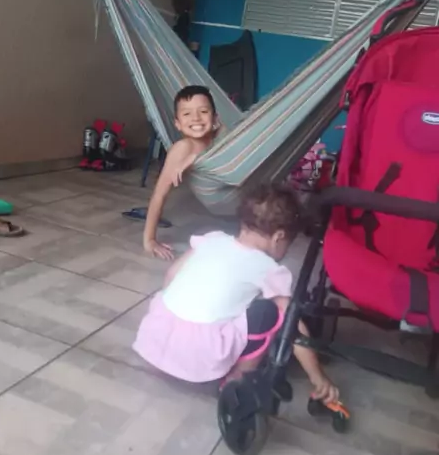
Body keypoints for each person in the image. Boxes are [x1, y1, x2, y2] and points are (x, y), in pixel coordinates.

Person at [134, 182, 339, 403]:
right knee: (271, 313)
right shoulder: (267, 268)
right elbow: (292, 322)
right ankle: (236, 378)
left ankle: (177, 352)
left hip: (156, 337)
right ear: (278, 237)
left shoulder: (211, 240)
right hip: (200, 354)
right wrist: (317, 376)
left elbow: (171, 276)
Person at [143, 85, 219, 260]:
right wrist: (150, 240)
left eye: (203, 111)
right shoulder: (182, 149)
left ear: (215, 118)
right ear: (177, 124)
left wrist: (196, 158)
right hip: (224, 201)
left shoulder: (220, 138)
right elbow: (159, 194)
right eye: (186, 114)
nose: (196, 118)